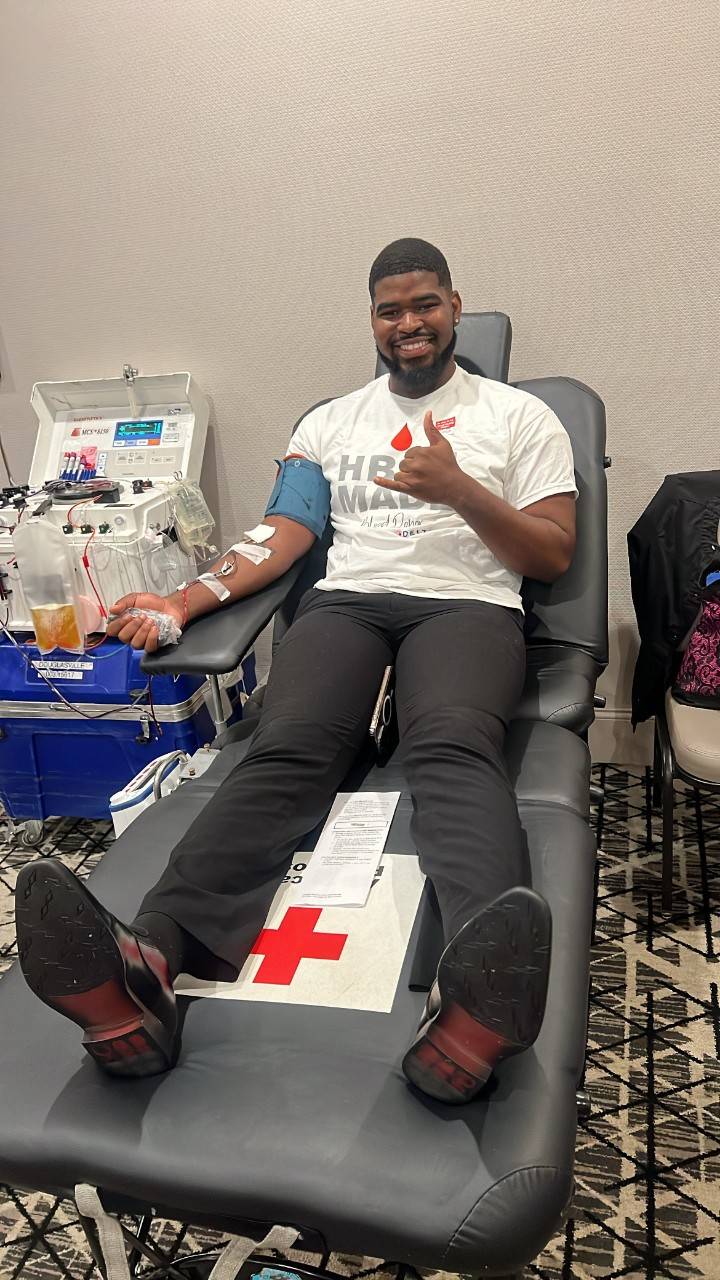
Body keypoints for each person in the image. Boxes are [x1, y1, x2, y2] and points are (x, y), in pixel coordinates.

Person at [15, 239, 577, 1104]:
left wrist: (461, 490)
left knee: (453, 747)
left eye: (425, 304)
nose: (409, 323)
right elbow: (281, 534)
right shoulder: (330, 423)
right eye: (390, 310)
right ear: (373, 321)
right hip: (348, 604)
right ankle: (147, 966)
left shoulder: (521, 418)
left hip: (466, 605)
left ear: (456, 308)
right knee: (288, 747)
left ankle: (478, 995)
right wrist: (184, 601)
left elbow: (552, 553)